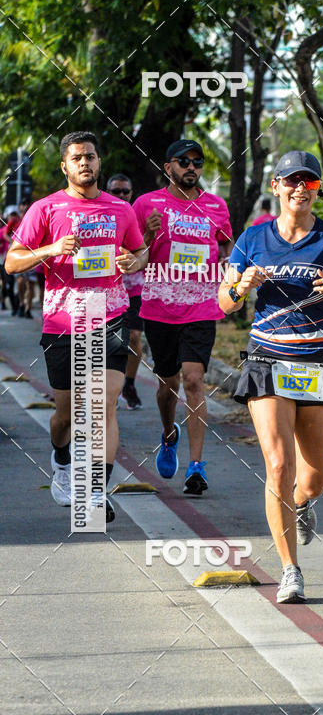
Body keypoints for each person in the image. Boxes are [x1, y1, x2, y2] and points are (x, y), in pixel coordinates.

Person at [218, 150, 323, 603]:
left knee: (312, 480)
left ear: (317, 190)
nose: (300, 189)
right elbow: (225, 303)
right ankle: (290, 569)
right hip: (268, 360)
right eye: (291, 181)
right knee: (278, 465)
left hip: (320, 365)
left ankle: (302, 504)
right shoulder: (252, 240)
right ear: (275, 187)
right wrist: (241, 287)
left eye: (309, 183)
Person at [5, 130, 147, 522]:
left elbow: (139, 250)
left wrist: (136, 261)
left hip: (111, 312)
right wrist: (51, 249)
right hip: (64, 321)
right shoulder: (45, 209)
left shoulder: (121, 209)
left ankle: (97, 492)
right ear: (65, 166)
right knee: (65, 416)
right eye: (77, 158)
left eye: (91, 156)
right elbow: (12, 262)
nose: (85, 163)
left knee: (103, 404)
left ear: (99, 163)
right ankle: (62, 457)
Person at [134, 139, 233, 494]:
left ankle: (196, 466)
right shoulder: (146, 204)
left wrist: (229, 270)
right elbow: (132, 254)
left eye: (197, 162)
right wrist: (148, 233)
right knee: (167, 386)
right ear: (168, 166)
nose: (191, 167)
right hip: (160, 306)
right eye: (184, 161)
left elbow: (225, 248)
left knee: (193, 379)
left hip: (202, 305)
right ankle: (168, 432)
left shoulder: (216, 206)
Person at [107, 173, 144, 410]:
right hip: (107, 290)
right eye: (116, 191)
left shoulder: (137, 216)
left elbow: (146, 248)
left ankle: (128, 383)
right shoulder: (100, 215)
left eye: (125, 192)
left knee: (134, 337)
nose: (121, 195)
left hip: (135, 289)